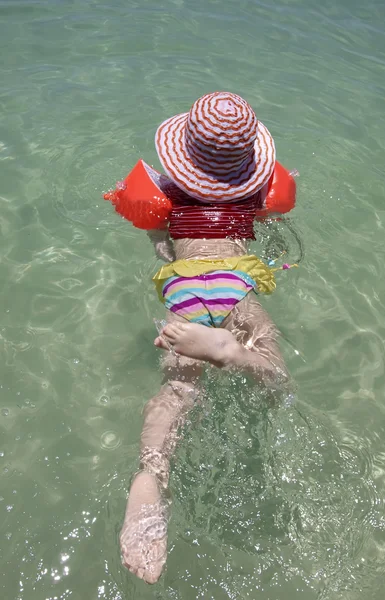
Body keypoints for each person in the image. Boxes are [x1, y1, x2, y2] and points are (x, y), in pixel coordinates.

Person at [119, 91, 294, 584]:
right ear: (252, 166)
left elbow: (157, 239)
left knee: (177, 392)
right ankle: (232, 353)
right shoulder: (257, 197)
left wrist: (160, 238)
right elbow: (273, 219)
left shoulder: (166, 191)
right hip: (236, 289)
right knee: (277, 378)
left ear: (180, 152)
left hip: (186, 291)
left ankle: (151, 476)